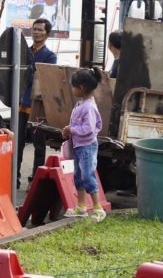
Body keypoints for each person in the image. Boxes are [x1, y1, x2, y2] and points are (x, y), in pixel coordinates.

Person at [62, 68, 106, 223]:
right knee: (79, 175)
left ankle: (98, 208)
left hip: (87, 147)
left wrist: (71, 129)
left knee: (87, 175)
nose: (72, 89)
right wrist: (69, 130)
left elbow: (88, 129)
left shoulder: (89, 107)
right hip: (79, 145)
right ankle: (81, 206)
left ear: (81, 88)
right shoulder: (81, 104)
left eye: (74, 86)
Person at [17, 18, 57, 186]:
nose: (36, 32)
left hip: (38, 108)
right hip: (21, 105)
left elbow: (45, 79)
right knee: (17, 145)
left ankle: (36, 180)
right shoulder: (24, 51)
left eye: (40, 29)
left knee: (38, 147)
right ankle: (15, 178)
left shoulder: (50, 56)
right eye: (34, 29)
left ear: (47, 34)